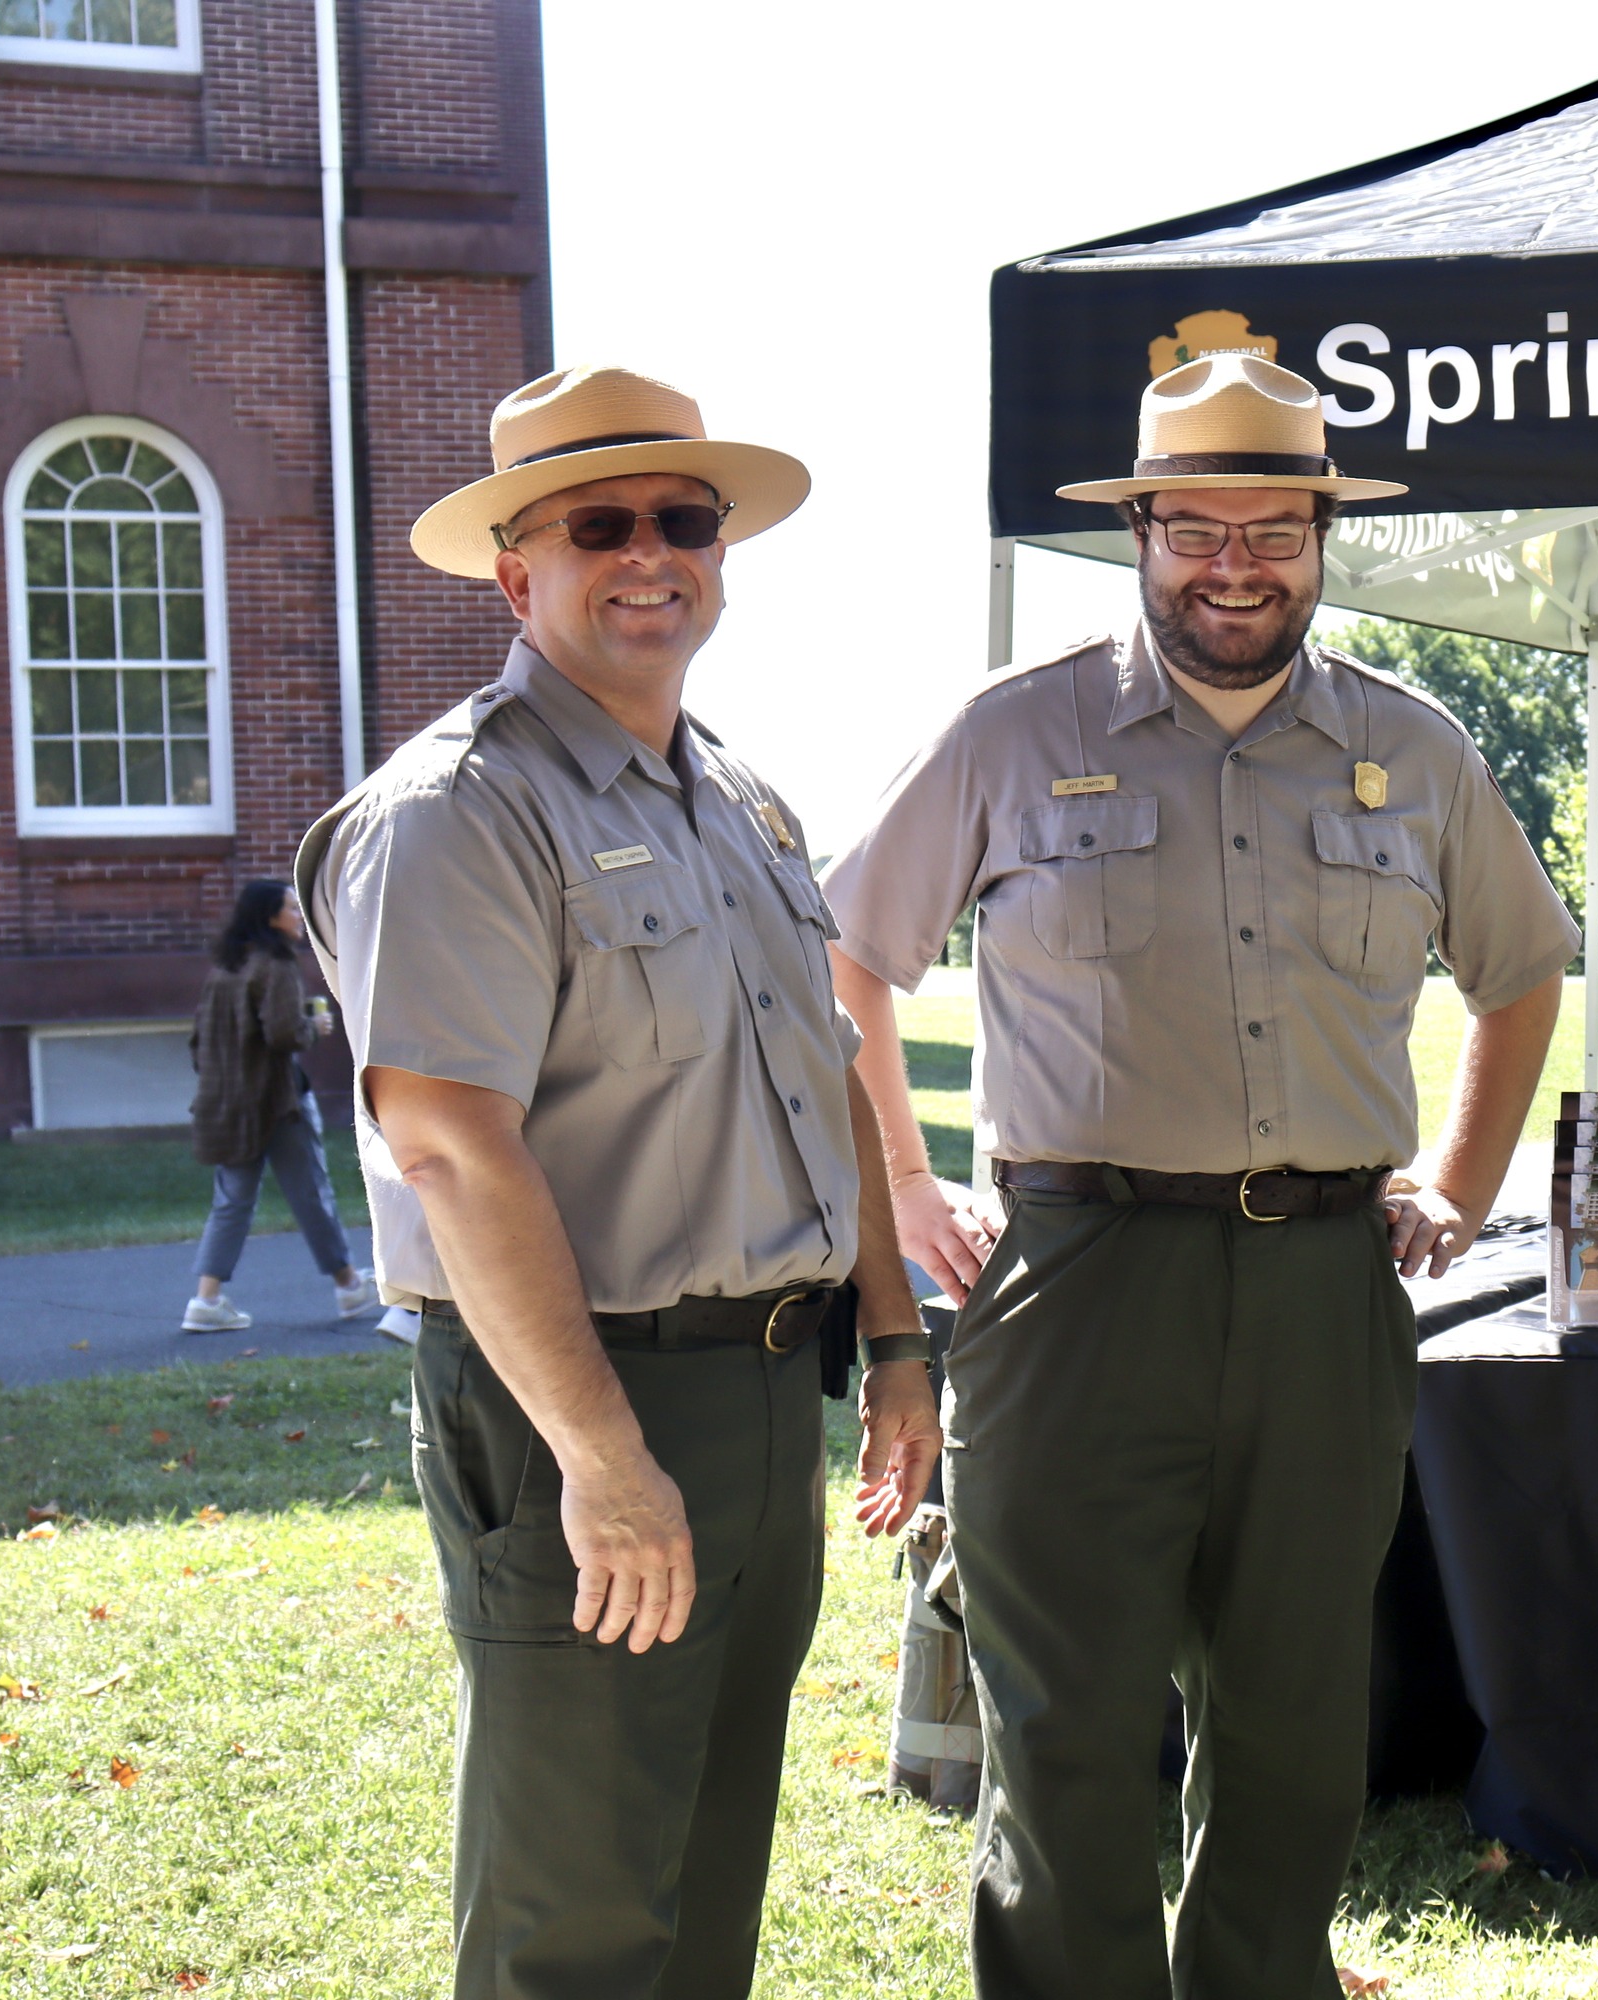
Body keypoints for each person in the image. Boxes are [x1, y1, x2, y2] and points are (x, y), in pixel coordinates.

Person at [819, 351, 1578, 1999]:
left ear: (1323, 536)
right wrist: (911, 1186)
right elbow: (846, 964)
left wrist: (1455, 1174)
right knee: (1066, 1724)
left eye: (1274, 527)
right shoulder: (1014, 732)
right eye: (1196, 527)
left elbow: (1520, 972)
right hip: (1078, 1279)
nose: (1235, 563)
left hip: (1323, 1283)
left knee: (1300, 1723)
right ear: (1141, 532)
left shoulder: (1414, 749)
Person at [294, 364, 942, 2000]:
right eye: (604, 524)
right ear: (520, 571)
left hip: (763, 1393)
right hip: (581, 1406)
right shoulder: (460, 814)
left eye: (684, 521)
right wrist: (600, 1455)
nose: (652, 553)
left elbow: (834, 1084)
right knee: (578, 1919)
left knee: (706, 1879)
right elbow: (450, 1147)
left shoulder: (744, 807)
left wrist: (897, 1337)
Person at [184, 877, 374, 1332]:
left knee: (232, 1199)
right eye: (291, 908)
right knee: (310, 1192)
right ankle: (349, 1287)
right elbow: (284, 1033)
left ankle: (205, 1300)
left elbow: (198, 1042)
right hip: (277, 1101)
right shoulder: (277, 966)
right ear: (270, 916)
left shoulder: (225, 968)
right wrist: (315, 1028)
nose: (298, 918)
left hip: (227, 1105)